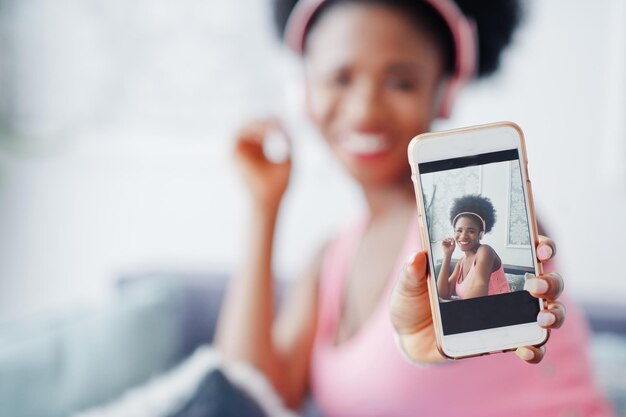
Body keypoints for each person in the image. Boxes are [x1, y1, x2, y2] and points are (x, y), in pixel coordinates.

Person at [215, 0, 614, 415]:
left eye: (401, 83)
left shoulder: (475, 218)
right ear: (306, 91)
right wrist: (264, 207)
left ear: (444, 92)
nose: (365, 109)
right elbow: (249, 395)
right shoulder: (329, 262)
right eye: (339, 78)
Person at [437, 194, 510, 300]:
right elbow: (443, 294)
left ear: (480, 234)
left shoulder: (485, 251)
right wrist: (447, 255)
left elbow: (478, 290)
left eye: (471, 231)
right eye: (459, 230)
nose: (463, 236)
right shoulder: (461, 262)